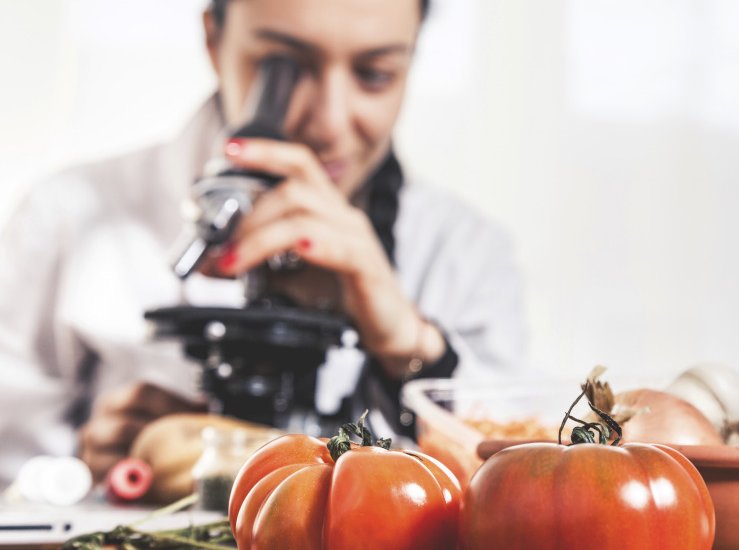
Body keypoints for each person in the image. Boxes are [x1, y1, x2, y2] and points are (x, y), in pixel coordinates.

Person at [0, 0, 525, 485]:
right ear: (214, 40)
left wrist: (409, 346)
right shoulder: (65, 218)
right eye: (283, 66)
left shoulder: (467, 252)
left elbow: (508, 476)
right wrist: (81, 467)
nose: (328, 123)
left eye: (375, 73)